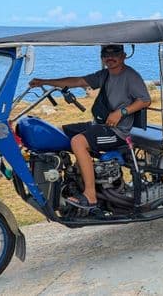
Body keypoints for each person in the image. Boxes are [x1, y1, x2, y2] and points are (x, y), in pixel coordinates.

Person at [29, 44, 151, 210]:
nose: (110, 57)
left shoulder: (130, 76)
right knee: (57, 132)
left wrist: (121, 112)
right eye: (105, 54)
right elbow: (78, 81)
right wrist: (46, 82)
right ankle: (69, 180)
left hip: (117, 131)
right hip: (100, 125)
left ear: (123, 56)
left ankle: (90, 195)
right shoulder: (105, 75)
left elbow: (145, 100)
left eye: (114, 53)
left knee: (78, 142)